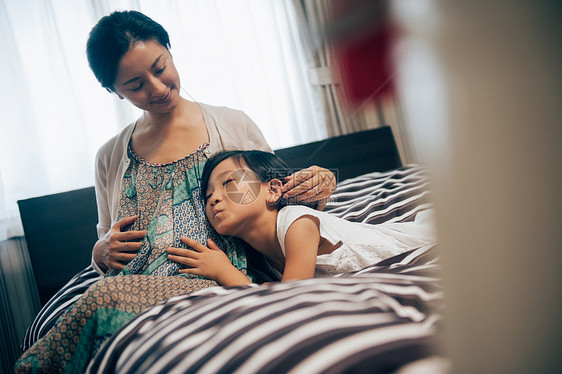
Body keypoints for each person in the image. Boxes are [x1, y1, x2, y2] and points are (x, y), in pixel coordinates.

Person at [15, 10, 335, 373]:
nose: (157, 88)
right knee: (98, 298)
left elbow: (281, 199)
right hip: (130, 285)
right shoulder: (110, 156)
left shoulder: (231, 124)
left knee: (99, 299)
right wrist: (100, 251)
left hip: (211, 280)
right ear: (114, 92)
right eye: (135, 85)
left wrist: (321, 182)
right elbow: (105, 241)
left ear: (169, 50)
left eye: (159, 66)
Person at [166, 150, 437, 283]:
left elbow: (292, 298)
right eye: (208, 194)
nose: (213, 198)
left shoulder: (296, 222)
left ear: (273, 190)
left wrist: (226, 273)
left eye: (228, 183)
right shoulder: (263, 262)